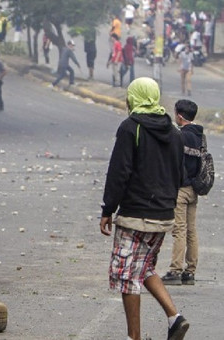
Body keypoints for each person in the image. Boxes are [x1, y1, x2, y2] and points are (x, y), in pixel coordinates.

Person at [100, 77, 189, 340]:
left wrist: (108, 209)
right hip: (163, 215)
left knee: (127, 275)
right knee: (144, 267)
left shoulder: (130, 127)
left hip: (135, 215)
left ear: (135, 97)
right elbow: (179, 175)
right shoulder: (174, 132)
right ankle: (175, 318)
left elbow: (119, 172)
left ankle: (134, 337)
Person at [162, 99, 202, 286]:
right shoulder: (200, 136)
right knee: (191, 231)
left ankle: (175, 270)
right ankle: (190, 271)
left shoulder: (179, 136)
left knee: (179, 229)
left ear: (179, 116)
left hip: (181, 189)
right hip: (194, 189)